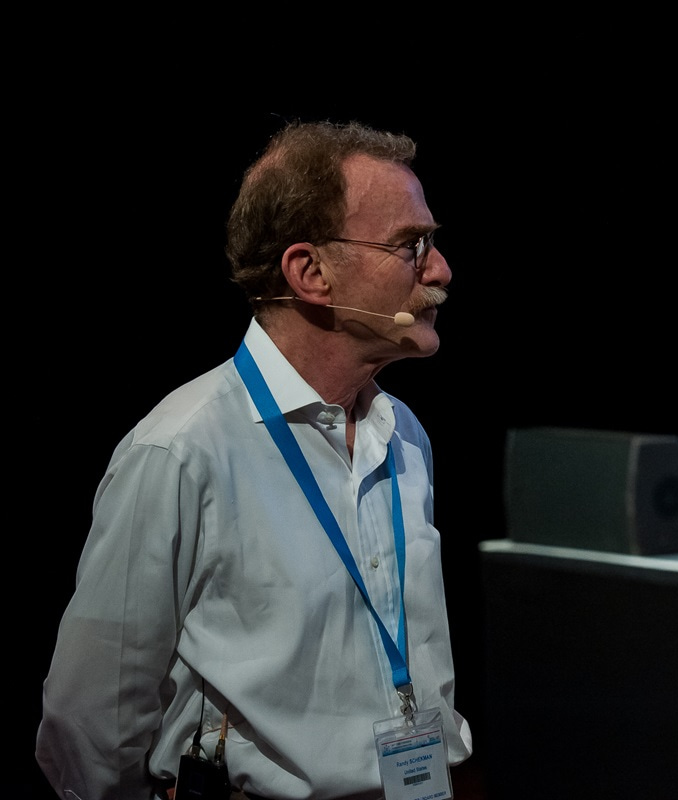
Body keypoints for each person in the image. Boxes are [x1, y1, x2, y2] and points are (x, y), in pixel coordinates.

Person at [36, 119, 473, 799]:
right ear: (310, 272)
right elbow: (91, 717)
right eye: (409, 246)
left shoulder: (403, 433)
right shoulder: (182, 449)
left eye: (433, 244)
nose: (440, 271)